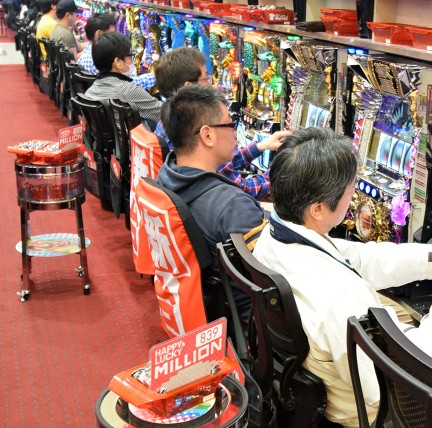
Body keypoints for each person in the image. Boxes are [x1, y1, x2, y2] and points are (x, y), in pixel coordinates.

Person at [252, 127, 432, 428]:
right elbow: (384, 385)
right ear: (317, 209)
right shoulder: (340, 294)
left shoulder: (275, 237)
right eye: (349, 189)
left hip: (323, 381)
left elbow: (362, 258)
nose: (353, 195)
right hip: (366, 412)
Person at [156, 85, 285, 316]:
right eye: (230, 125)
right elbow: (274, 275)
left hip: (204, 301)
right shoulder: (233, 205)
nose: (235, 132)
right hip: (251, 317)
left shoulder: (168, 172)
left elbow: (227, 166)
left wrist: (260, 147)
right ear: (207, 135)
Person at [153, 47, 286, 200]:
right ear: (189, 87)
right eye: (206, 78)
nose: (212, 85)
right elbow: (244, 190)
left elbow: (222, 165)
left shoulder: (168, 122)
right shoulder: (198, 130)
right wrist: (285, 170)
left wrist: (261, 146)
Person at [85, 31, 162, 131]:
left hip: (112, 140)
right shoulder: (128, 90)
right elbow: (165, 113)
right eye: (130, 56)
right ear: (118, 62)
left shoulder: (91, 89)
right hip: (133, 140)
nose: (133, 61)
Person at [77, 13, 156, 92]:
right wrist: (154, 76)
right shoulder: (96, 58)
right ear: (99, 34)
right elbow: (121, 87)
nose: (115, 36)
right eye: (112, 33)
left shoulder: (87, 52)